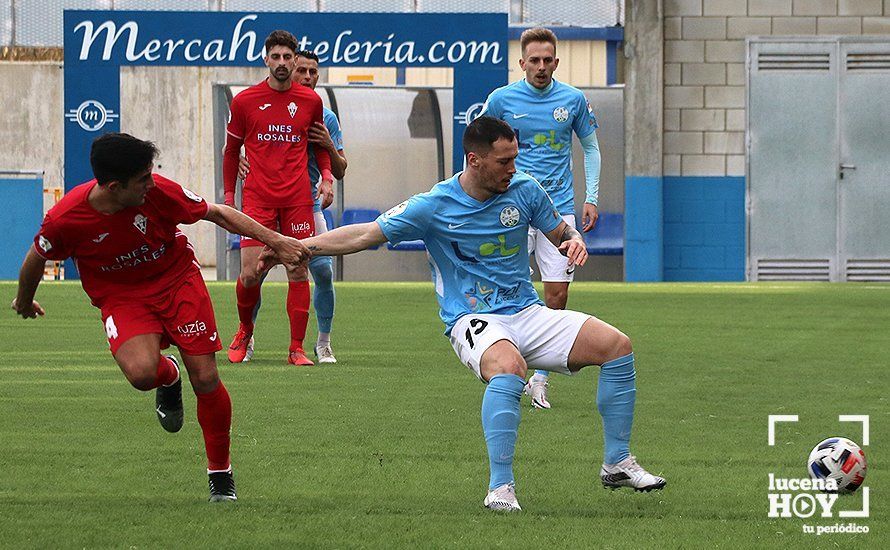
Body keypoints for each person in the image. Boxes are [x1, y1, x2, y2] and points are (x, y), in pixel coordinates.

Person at [264, 117, 665, 511]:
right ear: (475, 160)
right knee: (509, 367)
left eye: (515, 159)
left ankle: (617, 463)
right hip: (472, 320)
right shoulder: (434, 204)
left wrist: (574, 241)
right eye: (504, 162)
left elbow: (560, 231)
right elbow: (366, 233)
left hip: (526, 311)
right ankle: (500, 488)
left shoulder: (525, 190)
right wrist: (301, 246)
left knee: (617, 346)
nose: (513, 169)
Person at [11, 133, 309, 502]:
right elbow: (37, 257)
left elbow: (216, 213)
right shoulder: (66, 218)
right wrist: (25, 301)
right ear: (115, 186)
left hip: (177, 280)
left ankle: (220, 475)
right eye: (143, 180)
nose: (151, 184)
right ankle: (168, 375)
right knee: (141, 375)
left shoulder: (158, 192)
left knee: (206, 376)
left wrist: (276, 240)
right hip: (121, 297)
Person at [480, 27, 602, 410]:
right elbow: (478, 144)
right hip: (510, 208)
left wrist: (592, 197)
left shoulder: (573, 99)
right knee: (508, 287)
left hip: (558, 208)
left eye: (548, 60)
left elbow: (592, 148)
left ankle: (540, 378)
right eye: (534, 60)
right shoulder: (501, 100)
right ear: (522, 63)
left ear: (556, 62)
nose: (541, 67)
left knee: (557, 294)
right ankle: (505, 363)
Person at [223, 30, 334, 366]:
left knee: (298, 270)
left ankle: (296, 348)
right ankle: (244, 330)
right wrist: (229, 198)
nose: (282, 63)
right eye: (277, 57)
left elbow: (319, 146)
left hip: (298, 200)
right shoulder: (244, 100)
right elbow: (230, 151)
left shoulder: (311, 101)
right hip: (257, 201)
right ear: (266, 58)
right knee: (251, 274)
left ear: (294, 59)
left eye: (288, 57)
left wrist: (326, 177)